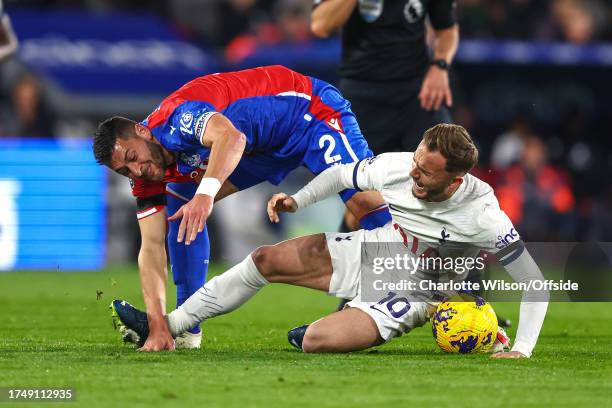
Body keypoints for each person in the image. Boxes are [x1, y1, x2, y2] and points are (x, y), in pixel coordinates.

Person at [111, 124, 548, 358]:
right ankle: (168, 325)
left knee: (313, 341)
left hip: (423, 286)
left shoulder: (483, 214)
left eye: (426, 172)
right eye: (415, 161)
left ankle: (476, 321)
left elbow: (536, 281)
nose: (414, 174)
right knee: (265, 258)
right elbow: (343, 174)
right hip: (383, 247)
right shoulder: (400, 167)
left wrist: (524, 352)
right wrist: (298, 200)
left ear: (455, 180)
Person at [93, 65, 391, 351]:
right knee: (179, 213)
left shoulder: (180, 117)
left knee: (363, 202)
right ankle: (185, 327)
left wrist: (206, 195)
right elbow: (152, 248)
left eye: (133, 156)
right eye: (125, 171)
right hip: (260, 148)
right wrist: (157, 324)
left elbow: (231, 138)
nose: (137, 170)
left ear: (143, 132)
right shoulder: (144, 176)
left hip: (308, 114)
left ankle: (423, 270)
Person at [310, 0, 457, 154]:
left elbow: (447, 29)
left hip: (417, 90)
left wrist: (440, 65)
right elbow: (321, 25)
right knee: (354, 171)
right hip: (361, 89)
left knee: (446, 155)